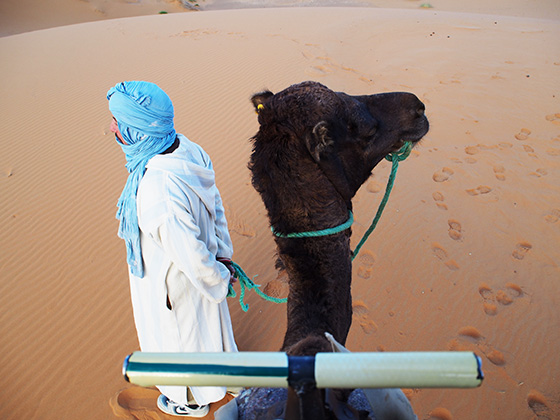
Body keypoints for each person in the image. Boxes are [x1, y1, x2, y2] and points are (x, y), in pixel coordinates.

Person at [107, 81, 238, 417]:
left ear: (137, 132)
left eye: (119, 123)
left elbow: (191, 256)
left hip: (175, 287)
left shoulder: (155, 191)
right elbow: (215, 203)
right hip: (201, 267)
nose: (112, 129)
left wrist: (217, 277)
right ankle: (230, 375)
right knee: (209, 329)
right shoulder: (187, 149)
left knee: (183, 338)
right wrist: (223, 253)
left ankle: (190, 399)